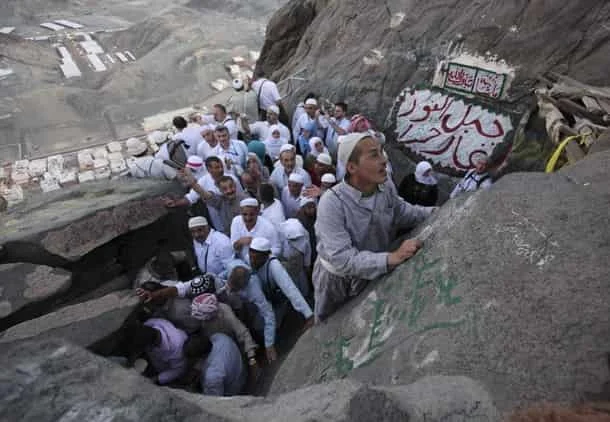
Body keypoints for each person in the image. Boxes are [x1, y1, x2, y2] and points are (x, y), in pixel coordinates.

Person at [313, 133, 436, 321]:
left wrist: (434, 212)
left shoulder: (385, 186)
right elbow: (343, 259)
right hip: (336, 280)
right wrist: (392, 258)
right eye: (374, 155)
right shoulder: (331, 204)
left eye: (381, 152)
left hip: (374, 267)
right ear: (352, 167)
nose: (384, 160)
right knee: (328, 322)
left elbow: (400, 211)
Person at [248, 237, 314, 326]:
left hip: (279, 293)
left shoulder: (274, 266)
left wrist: (308, 315)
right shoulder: (248, 259)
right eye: (251, 257)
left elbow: (290, 289)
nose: (252, 261)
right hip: (265, 294)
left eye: (256, 258)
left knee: (273, 324)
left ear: (266, 256)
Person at [191, 293, 258, 367]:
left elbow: (244, 333)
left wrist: (252, 359)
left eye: (204, 319)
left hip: (236, 345)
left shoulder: (225, 313)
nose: (203, 321)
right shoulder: (203, 318)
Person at [183, 332, 246, 396]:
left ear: (200, 358)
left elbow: (215, 400)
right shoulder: (220, 337)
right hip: (240, 372)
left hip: (233, 392)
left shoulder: (212, 376)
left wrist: (193, 394)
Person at [128, 318, 188, 385]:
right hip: (154, 358)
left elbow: (178, 370)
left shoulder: (176, 347)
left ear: (152, 345)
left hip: (166, 369)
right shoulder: (149, 324)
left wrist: (155, 379)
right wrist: (131, 362)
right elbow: (139, 343)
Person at [230, 198, 281, 263]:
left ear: (257, 212)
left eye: (251, 214)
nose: (248, 218)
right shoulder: (236, 221)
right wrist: (240, 242)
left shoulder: (268, 227)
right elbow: (233, 248)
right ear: (240, 212)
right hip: (241, 263)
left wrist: (260, 253)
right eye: (244, 214)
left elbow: (277, 249)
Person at [278, 219, 312, 297]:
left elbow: (307, 252)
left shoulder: (305, 235)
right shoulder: (281, 231)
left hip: (300, 264)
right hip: (286, 263)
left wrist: (307, 265)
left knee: (303, 285)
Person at [297, 196, 317, 262]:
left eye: (313, 207)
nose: (312, 210)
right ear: (303, 208)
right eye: (309, 207)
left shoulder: (317, 217)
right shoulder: (299, 220)